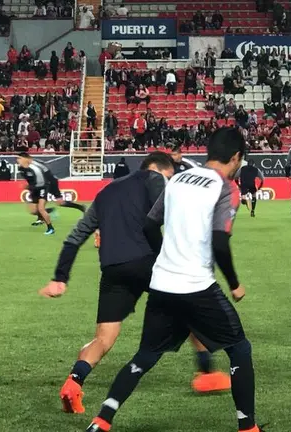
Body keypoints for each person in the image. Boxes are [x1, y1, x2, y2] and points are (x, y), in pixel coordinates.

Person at [85, 128, 263, 432]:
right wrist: (234, 283)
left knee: (146, 355)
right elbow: (220, 242)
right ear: (236, 158)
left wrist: (165, 258)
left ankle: (101, 420)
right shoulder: (224, 187)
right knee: (239, 349)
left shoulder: (178, 179)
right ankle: (248, 428)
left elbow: (150, 225)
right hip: (196, 286)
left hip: (163, 285)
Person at [39, 152, 231, 415]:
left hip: (113, 268)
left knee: (103, 339)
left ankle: (74, 382)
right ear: (162, 170)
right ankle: (207, 372)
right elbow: (171, 216)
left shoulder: (105, 193)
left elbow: (75, 237)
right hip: (148, 263)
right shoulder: (158, 179)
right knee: (189, 310)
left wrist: (60, 278)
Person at [16, 153, 85, 234]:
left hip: (50, 182)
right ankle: (43, 216)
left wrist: (30, 187)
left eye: (20, 158)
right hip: (38, 184)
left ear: (26, 159)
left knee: (59, 202)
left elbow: (43, 179)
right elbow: (31, 179)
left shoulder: (35, 167)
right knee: (34, 210)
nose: (18, 160)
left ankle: (81, 207)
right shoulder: (22, 168)